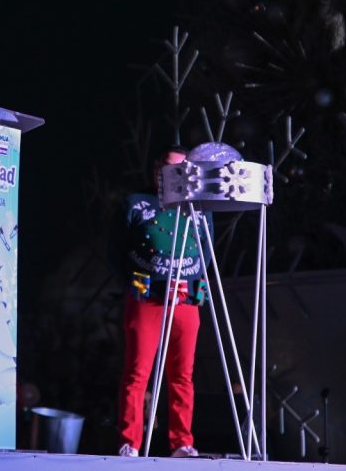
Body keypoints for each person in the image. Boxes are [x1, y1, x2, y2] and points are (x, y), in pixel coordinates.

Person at [111, 145, 210, 458]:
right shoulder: (135, 203)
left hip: (185, 300)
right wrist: (133, 281)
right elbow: (115, 250)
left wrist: (196, 283)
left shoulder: (199, 207)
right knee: (137, 372)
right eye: (165, 167)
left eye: (178, 169)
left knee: (182, 375)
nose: (170, 174)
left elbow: (206, 251)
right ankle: (130, 442)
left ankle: (182, 442)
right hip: (148, 299)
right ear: (156, 168)